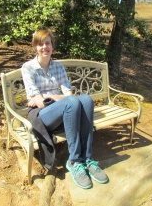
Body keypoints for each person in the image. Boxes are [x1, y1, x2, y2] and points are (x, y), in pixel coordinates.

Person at [21, 29, 109, 189]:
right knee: (72, 103)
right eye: (40, 44)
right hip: (42, 115)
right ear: (35, 46)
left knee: (86, 100)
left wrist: (49, 96)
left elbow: (69, 94)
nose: (44, 47)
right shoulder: (28, 68)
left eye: (47, 43)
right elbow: (40, 104)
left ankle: (87, 158)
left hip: (65, 110)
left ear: (52, 46)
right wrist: (54, 99)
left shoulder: (58, 67)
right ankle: (74, 161)